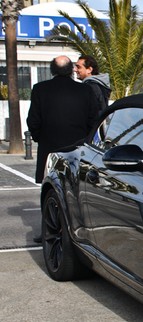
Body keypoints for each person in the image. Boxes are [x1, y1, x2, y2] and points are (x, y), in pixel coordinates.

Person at [27, 55, 98, 242]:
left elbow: (33, 121)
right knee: (77, 192)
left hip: (50, 149)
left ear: (52, 70)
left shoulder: (40, 89)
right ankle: (81, 232)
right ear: (70, 70)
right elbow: (94, 121)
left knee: (51, 190)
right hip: (78, 150)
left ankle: (50, 231)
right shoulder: (85, 91)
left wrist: (39, 138)